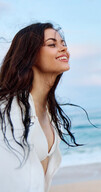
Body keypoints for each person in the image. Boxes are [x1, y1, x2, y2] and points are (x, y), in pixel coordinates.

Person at [0, 23, 81, 192]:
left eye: (63, 43)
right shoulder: (9, 111)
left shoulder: (49, 113)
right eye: (52, 44)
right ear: (29, 54)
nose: (63, 49)